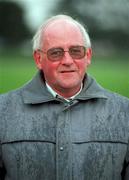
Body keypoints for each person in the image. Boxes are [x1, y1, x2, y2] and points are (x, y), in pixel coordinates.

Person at [0, 14, 129, 180]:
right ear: (38, 59)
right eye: (56, 53)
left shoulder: (125, 113)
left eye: (76, 51)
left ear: (88, 56)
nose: (68, 60)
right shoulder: (2, 112)